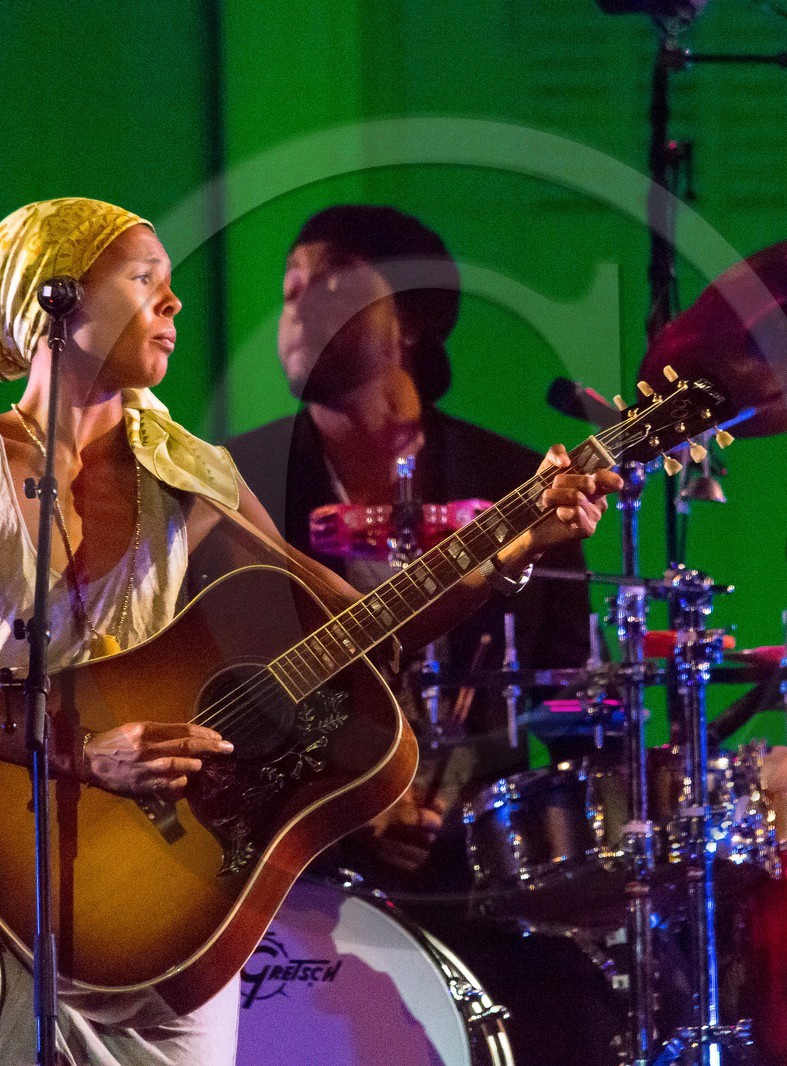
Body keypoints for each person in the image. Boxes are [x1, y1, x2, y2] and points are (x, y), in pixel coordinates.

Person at [0, 197, 620, 1065]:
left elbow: (356, 624)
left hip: (171, 906)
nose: (174, 304)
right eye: (145, 281)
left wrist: (517, 547)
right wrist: (79, 748)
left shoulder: (188, 474)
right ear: (53, 299)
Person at [222, 205, 596, 883]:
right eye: (290, 290)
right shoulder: (234, 483)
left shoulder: (518, 483)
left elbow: (565, 691)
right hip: (295, 870)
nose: (300, 307)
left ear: (413, 317)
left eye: (333, 280)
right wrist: (349, 804)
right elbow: (217, 681)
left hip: (487, 867)